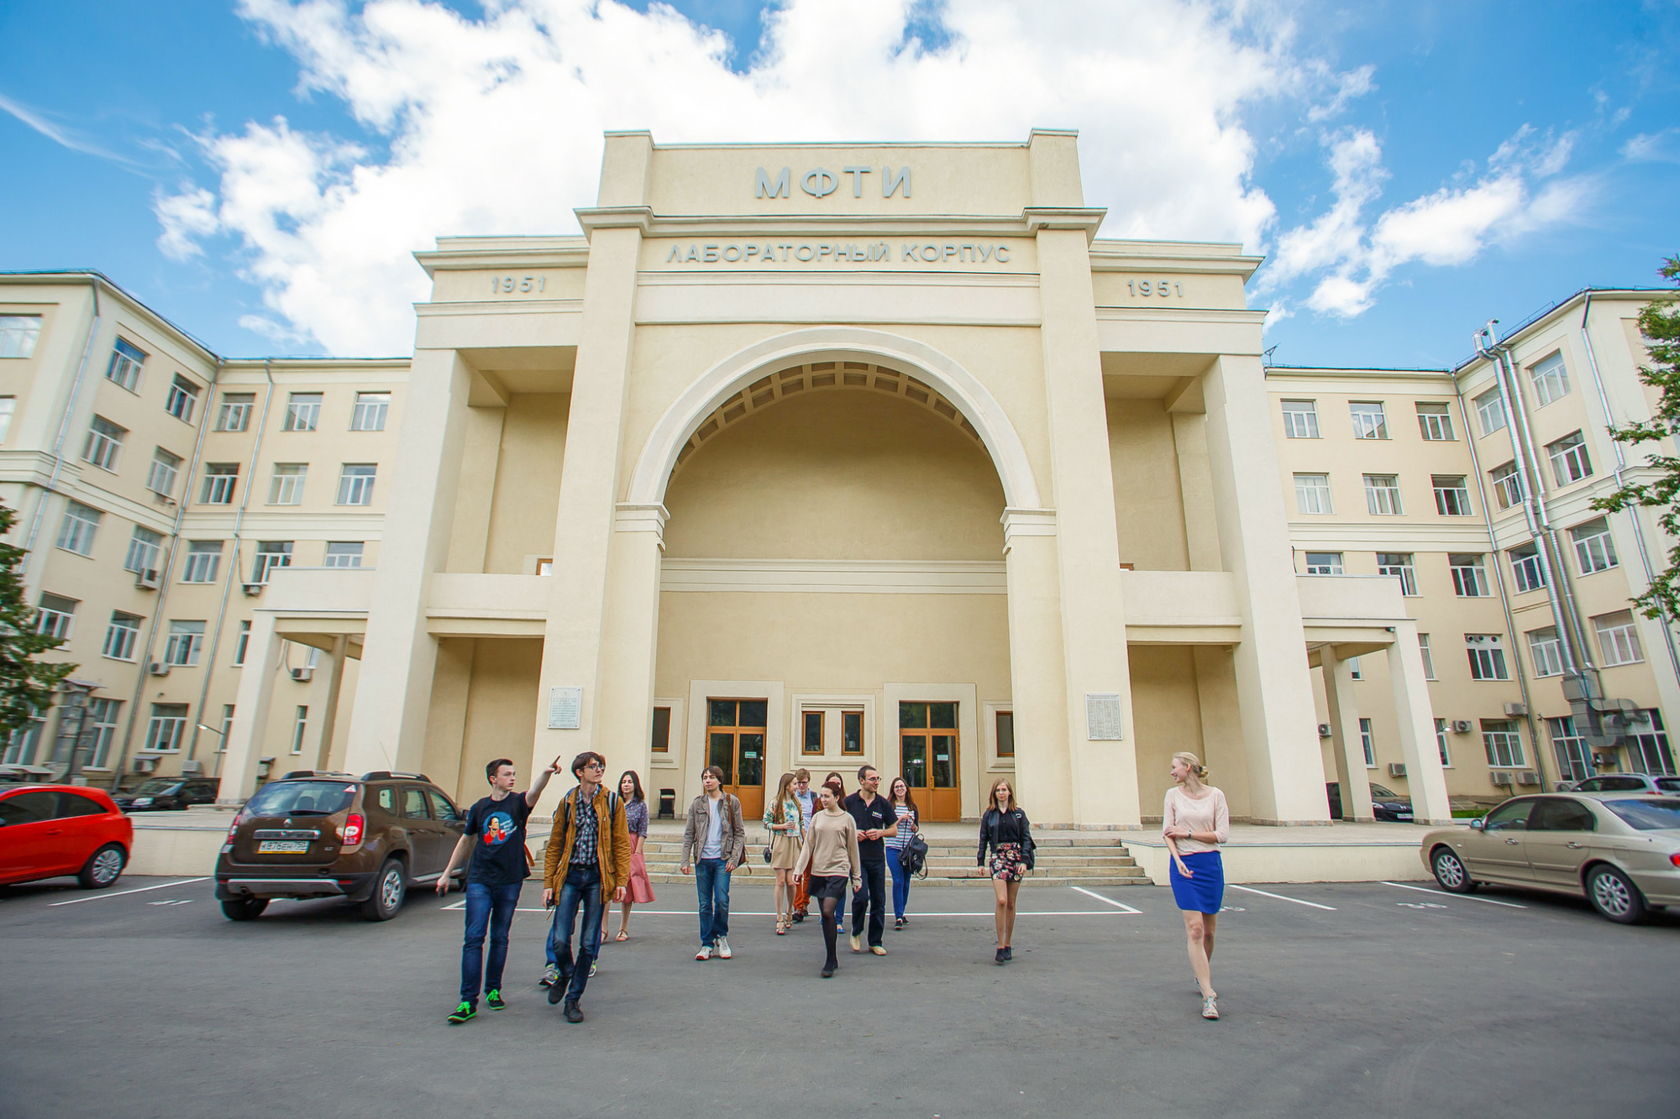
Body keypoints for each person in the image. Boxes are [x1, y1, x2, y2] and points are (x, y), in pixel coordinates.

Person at [437, 755, 560, 1024]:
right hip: (480, 880)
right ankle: (467, 1001)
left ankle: (493, 989)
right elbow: (466, 841)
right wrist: (447, 874)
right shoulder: (479, 808)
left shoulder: (517, 804)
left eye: (514, 774)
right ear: (494, 779)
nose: (512, 778)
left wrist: (546, 773)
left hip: (510, 880)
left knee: (500, 937)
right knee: (473, 938)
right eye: (507, 774)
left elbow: (535, 791)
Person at [538, 751, 631, 1024]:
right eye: (593, 766)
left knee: (589, 943)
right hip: (569, 876)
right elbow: (555, 845)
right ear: (580, 772)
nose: (599, 770)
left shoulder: (612, 802)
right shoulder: (567, 802)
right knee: (559, 938)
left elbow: (621, 844)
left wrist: (621, 881)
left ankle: (573, 999)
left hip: (596, 878)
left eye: (601, 766)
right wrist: (547, 884)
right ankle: (565, 972)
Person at [1163, 750, 1230, 1021]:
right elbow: (1168, 832)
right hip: (1184, 866)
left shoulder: (1216, 795)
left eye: (1174, 767)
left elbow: (1222, 835)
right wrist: (1177, 858)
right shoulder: (1172, 796)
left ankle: (1201, 973)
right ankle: (1208, 995)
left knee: (1210, 933)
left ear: (1188, 768)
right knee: (1195, 929)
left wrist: (1188, 832)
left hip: (1209, 865)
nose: (1171, 772)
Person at [791, 779, 861, 977]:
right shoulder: (817, 818)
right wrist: (799, 869)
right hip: (819, 871)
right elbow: (808, 846)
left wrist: (856, 877)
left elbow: (853, 850)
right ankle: (832, 955)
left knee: (829, 911)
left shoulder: (847, 819)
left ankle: (830, 960)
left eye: (827, 796)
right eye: (821, 796)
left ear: (837, 798)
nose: (823, 799)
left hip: (838, 870)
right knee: (825, 915)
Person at [679, 765, 746, 960]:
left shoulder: (731, 802)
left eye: (711, 777)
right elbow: (689, 833)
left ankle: (721, 936)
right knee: (704, 904)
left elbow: (740, 832)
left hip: (722, 859)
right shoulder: (697, 804)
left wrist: (734, 858)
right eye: (705, 777)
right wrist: (685, 860)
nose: (707, 780)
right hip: (702, 859)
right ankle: (706, 943)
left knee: (722, 900)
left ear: (719, 780)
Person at [976, 777, 1033, 965]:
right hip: (998, 858)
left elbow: (1026, 838)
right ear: (994, 794)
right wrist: (980, 862)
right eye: (998, 790)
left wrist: (1024, 860)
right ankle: (1000, 945)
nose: (1001, 793)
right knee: (1001, 900)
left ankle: (1008, 943)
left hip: (1016, 858)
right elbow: (983, 838)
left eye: (1004, 790)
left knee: (1010, 902)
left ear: (1009, 793)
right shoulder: (989, 815)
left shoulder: (1018, 814)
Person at [842, 765, 895, 956]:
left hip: (877, 859)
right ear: (861, 781)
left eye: (878, 779)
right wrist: (853, 833)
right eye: (872, 779)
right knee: (861, 897)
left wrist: (881, 832)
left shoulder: (883, 804)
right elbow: (839, 826)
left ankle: (875, 941)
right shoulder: (849, 802)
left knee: (879, 900)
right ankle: (856, 931)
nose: (876, 783)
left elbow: (893, 829)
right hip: (857, 859)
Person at [614, 770, 655, 941]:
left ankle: (623, 928)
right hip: (614, 845)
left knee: (627, 888)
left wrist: (637, 851)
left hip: (631, 845)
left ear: (635, 785)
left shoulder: (640, 806)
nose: (626, 785)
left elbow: (642, 830)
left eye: (629, 781)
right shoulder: (615, 803)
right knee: (607, 886)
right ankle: (602, 928)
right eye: (624, 781)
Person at [764, 771, 805, 934]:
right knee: (780, 881)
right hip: (781, 841)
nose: (797, 786)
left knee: (791, 881)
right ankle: (779, 916)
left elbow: (801, 823)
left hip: (794, 842)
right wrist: (781, 826)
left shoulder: (797, 803)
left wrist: (806, 841)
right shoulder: (775, 802)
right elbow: (766, 823)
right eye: (795, 784)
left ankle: (790, 911)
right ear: (787, 785)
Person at [885, 776, 919, 930]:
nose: (899, 789)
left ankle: (902, 911)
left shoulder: (913, 807)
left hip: (908, 850)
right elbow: (887, 827)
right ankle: (898, 915)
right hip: (893, 847)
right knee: (897, 880)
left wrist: (913, 826)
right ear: (893, 790)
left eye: (902, 786)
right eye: (896, 787)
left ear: (906, 789)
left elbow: (916, 828)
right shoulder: (889, 806)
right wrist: (900, 819)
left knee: (906, 882)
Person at [790, 769, 817, 923]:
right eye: (798, 783)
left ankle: (805, 902)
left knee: (808, 875)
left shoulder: (815, 798)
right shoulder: (791, 799)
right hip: (795, 841)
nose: (801, 786)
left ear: (808, 782)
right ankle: (798, 906)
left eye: (803, 783)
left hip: (810, 841)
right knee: (796, 875)